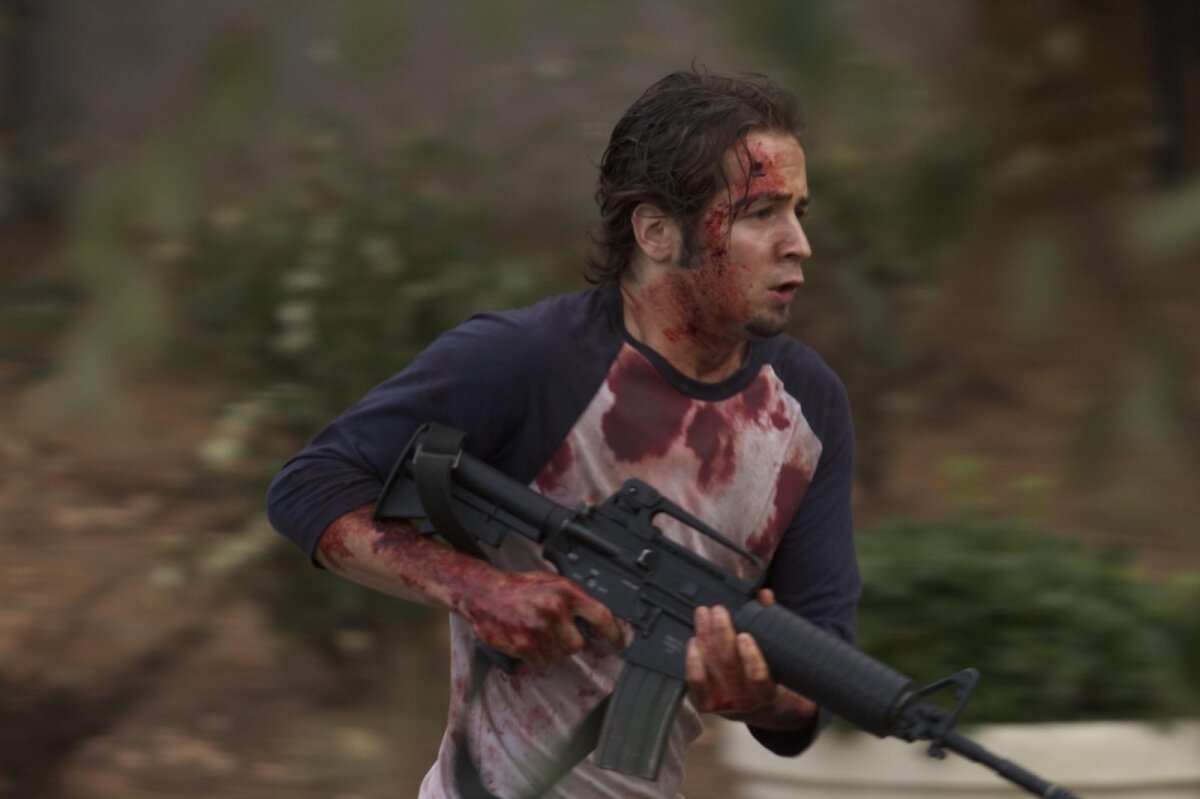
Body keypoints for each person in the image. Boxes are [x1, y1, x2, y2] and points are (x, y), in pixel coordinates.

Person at [267, 69, 860, 798]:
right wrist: (478, 588)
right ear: (656, 232)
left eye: (798, 210)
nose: (799, 243)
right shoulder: (526, 360)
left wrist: (761, 698)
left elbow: (822, 660)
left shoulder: (808, 405)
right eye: (762, 212)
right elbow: (309, 488)